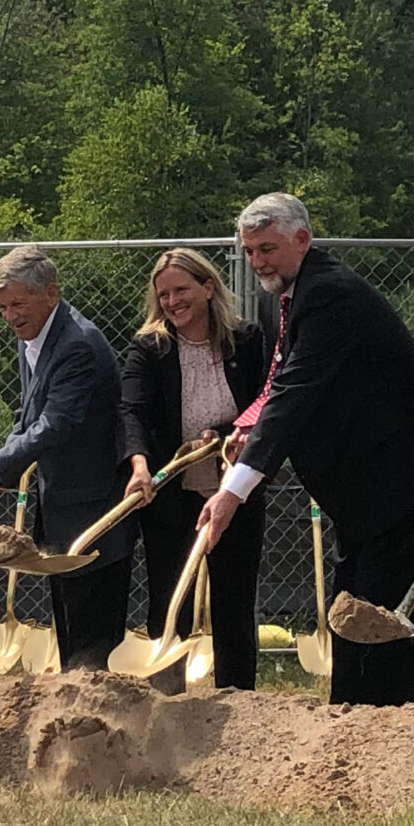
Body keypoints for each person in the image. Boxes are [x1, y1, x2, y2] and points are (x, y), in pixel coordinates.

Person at [199, 194, 414, 708]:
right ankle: (349, 711)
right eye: (250, 252)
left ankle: (387, 721)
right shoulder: (279, 294)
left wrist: (234, 490)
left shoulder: (332, 293)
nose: (258, 262)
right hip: (350, 486)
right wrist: (247, 423)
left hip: (394, 478)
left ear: (302, 240)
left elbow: (297, 392)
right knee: (348, 598)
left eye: (268, 249)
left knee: (382, 608)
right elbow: (277, 380)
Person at [0, 247, 135, 672]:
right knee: (71, 640)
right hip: (62, 509)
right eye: (2, 307)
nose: (10, 316)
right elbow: (27, 416)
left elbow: (55, 424)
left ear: (50, 294)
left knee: (92, 648)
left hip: (95, 513)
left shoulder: (77, 345)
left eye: (18, 304)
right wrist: (1, 464)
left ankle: (101, 729)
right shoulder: (35, 338)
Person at [117, 247, 272, 690]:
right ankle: (166, 701)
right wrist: (140, 464)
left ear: (208, 288)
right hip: (172, 494)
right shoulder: (150, 348)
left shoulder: (247, 341)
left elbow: (265, 402)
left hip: (234, 490)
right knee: (170, 599)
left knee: (234, 604)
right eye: (163, 294)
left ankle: (237, 700)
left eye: (181, 289)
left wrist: (223, 432)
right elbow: (131, 411)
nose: (172, 301)